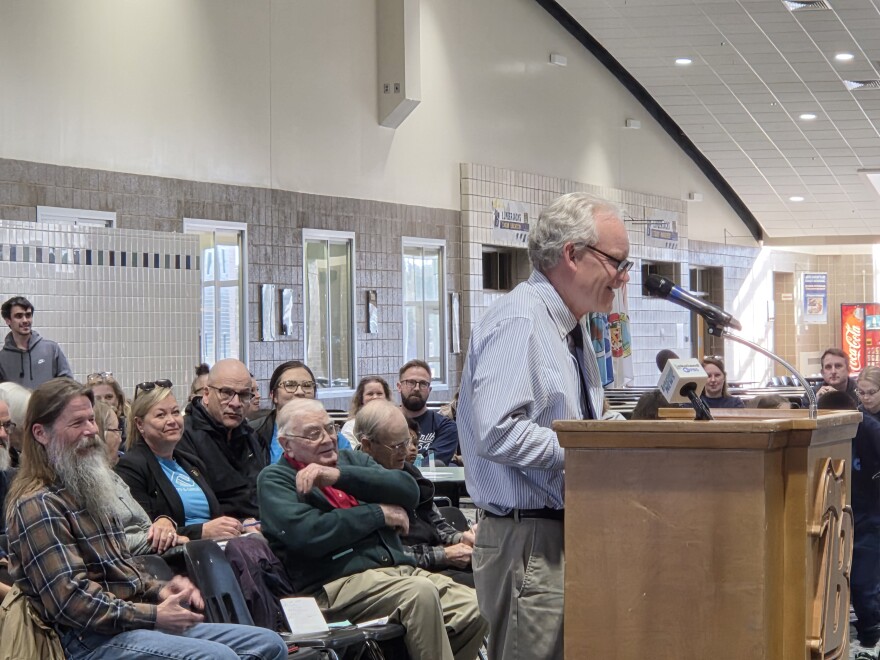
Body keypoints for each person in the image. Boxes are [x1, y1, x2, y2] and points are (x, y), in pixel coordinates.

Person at [458, 191, 631, 659]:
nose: (624, 276)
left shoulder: (569, 327)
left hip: (561, 531)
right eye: (617, 261)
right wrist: (588, 453)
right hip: (527, 540)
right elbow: (497, 430)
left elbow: (587, 418)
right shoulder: (521, 321)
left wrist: (640, 438)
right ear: (572, 255)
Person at [4, 377, 288, 660]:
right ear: (41, 433)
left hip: (129, 624)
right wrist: (153, 615)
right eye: (77, 423)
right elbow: (69, 602)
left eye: (91, 420)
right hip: (85, 640)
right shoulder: (38, 503)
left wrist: (163, 590)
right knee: (218, 657)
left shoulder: (90, 487)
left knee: (269, 644)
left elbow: (122, 574)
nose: (91, 431)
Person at [258, 397, 487, 660]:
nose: (326, 438)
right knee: (419, 595)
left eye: (330, 428)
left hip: (395, 572)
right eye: (313, 433)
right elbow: (308, 533)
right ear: (286, 444)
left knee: (478, 608)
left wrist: (338, 476)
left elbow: (408, 489)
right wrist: (377, 513)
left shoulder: (351, 461)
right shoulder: (275, 479)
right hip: (335, 585)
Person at [358, 400, 476, 586]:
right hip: (404, 573)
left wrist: (461, 538)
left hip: (436, 558)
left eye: (408, 442)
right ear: (367, 445)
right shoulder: (356, 486)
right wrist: (444, 555)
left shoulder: (409, 472)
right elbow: (384, 554)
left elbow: (436, 522)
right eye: (396, 446)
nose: (405, 452)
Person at [117, 381, 249, 541]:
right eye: (161, 415)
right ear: (140, 424)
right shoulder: (132, 467)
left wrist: (242, 524)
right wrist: (201, 532)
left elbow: (216, 518)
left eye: (175, 412)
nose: (172, 420)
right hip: (178, 557)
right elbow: (145, 533)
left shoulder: (192, 462)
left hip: (215, 547)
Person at [821, 373, 880, 659]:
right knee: (841, 582)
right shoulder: (827, 433)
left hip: (870, 517)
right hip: (840, 515)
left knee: (863, 583)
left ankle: (871, 636)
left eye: (872, 392)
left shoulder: (869, 429)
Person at [177, 359, 268, 520]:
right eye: (226, 393)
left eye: (244, 395)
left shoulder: (250, 435)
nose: (235, 403)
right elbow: (199, 503)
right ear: (206, 394)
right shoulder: (184, 435)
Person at [93, 400, 182, 556]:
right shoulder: (127, 467)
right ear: (100, 434)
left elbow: (144, 523)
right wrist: (168, 539)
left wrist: (164, 521)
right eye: (116, 430)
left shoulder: (113, 477)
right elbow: (106, 542)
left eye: (175, 412)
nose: (120, 439)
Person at [251, 360, 350, 464]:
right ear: (273, 395)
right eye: (290, 385)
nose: (300, 392)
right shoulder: (254, 433)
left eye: (307, 385)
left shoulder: (334, 438)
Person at [0, 296, 72, 388]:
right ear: (8, 320)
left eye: (28, 315)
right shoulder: (2, 359)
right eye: (19, 316)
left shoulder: (51, 349)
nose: (25, 320)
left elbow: (68, 385)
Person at [398, 359, 458, 465]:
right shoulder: (385, 425)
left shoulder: (446, 427)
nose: (416, 388)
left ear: (429, 390)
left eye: (423, 384)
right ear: (399, 387)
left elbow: (431, 465)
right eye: (411, 382)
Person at [340, 376, 392, 448]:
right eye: (370, 394)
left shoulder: (394, 422)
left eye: (379, 393)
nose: (375, 397)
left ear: (386, 397)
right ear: (361, 399)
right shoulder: (350, 427)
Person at [87, 371, 131, 446]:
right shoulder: (85, 429)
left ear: (119, 400)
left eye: (109, 397)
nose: (103, 402)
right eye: (97, 399)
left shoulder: (130, 426)